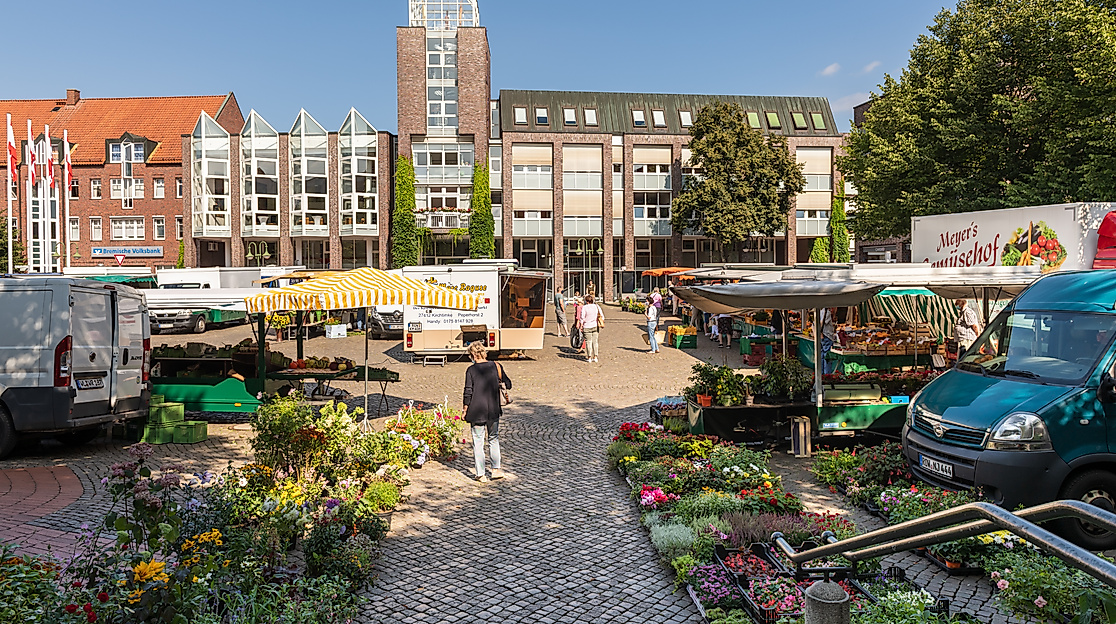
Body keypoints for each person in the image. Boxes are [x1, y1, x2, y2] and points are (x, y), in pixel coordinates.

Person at [462, 341, 512, 483]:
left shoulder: (471, 370)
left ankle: (481, 474)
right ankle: (496, 470)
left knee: (478, 442)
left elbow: (468, 392)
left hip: (476, 411)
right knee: (493, 438)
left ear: (472, 354)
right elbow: (508, 384)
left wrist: (465, 409)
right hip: (493, 409)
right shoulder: (496, 366)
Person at [578, 293, 604, 362]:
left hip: (587, 326)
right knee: (595, 342)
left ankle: (589, 357)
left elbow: (582, 318)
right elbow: (602, 316)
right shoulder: (597, 306)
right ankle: (595, 356)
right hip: (595, 326)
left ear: (586, 301)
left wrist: (581, 326)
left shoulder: (584, 307)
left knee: (588, 342)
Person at [820, 307, 838, 374]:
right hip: (827, 336)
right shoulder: (826, 313)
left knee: (822, 356)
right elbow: (822, 322)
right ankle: (827, 375)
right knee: (827, 356)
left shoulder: (819, 311)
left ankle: (821, 374)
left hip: (822, 336)